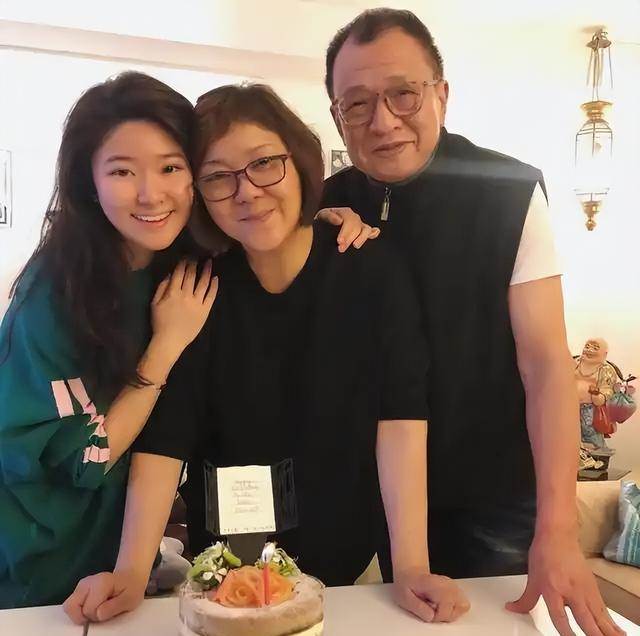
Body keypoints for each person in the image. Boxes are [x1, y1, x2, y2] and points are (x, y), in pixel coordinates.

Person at [63, 83, 469, 626]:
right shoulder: (195, 287)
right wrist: (131, 572)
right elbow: (166, 440)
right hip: (226, 571)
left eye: (264, 164)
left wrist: (413, 566)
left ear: (298, 162)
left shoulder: (371, 270)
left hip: (348, 565)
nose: (247, 192)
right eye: (218, 177)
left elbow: (400, 418)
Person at [321, 8, 624, 636]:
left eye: (403, 94)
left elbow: (546, 364)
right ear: (337, 115)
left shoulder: (507, 190)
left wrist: (558, 529)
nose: (383, 121)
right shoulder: (327, 201)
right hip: (370, 492)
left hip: (492, 493)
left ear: (441, 94)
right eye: (357, 104)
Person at [0, 72, 218, 608]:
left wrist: (321, 221)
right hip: (43, 554)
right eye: (122, 171)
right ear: (88, 182)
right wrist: (165, 347)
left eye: (171, 167)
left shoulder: (183, 262)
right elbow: (86, 457)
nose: (151, 194)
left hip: (127, 549)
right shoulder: (55, 293)